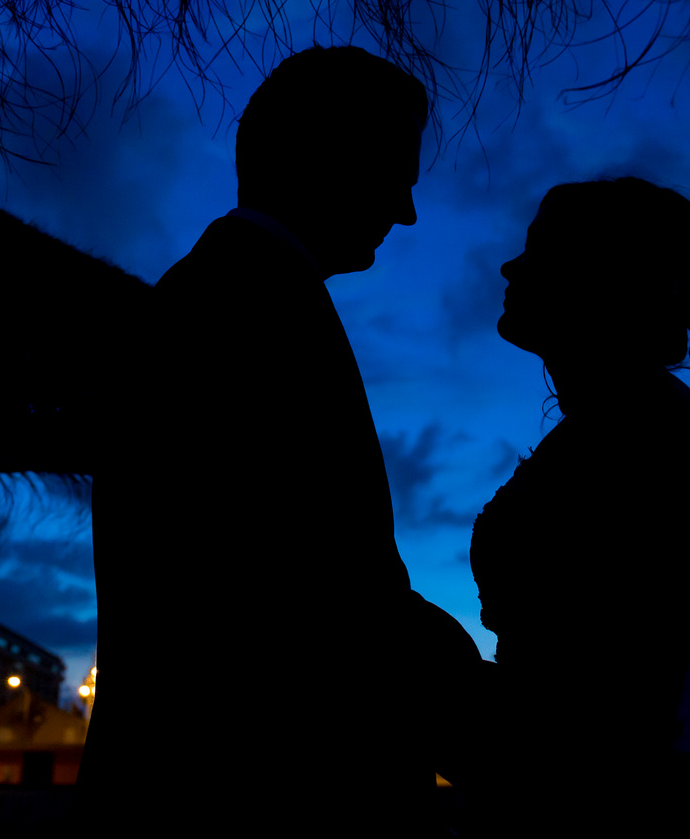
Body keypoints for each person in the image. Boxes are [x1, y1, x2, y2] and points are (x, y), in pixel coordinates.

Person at [78, 45, 480, 836]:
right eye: (397, 171)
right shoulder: (249, 308)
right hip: (257, 799)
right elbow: (324, 585)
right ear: (323, 154)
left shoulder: (230, 292)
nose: (407, 210)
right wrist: (535, 751)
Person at [464, 177, 690, 837]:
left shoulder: (643, 431)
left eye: (539, 250)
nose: (510, 267)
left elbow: (600, 711)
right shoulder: (621, 422)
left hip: (636, 819)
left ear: (605, 275)